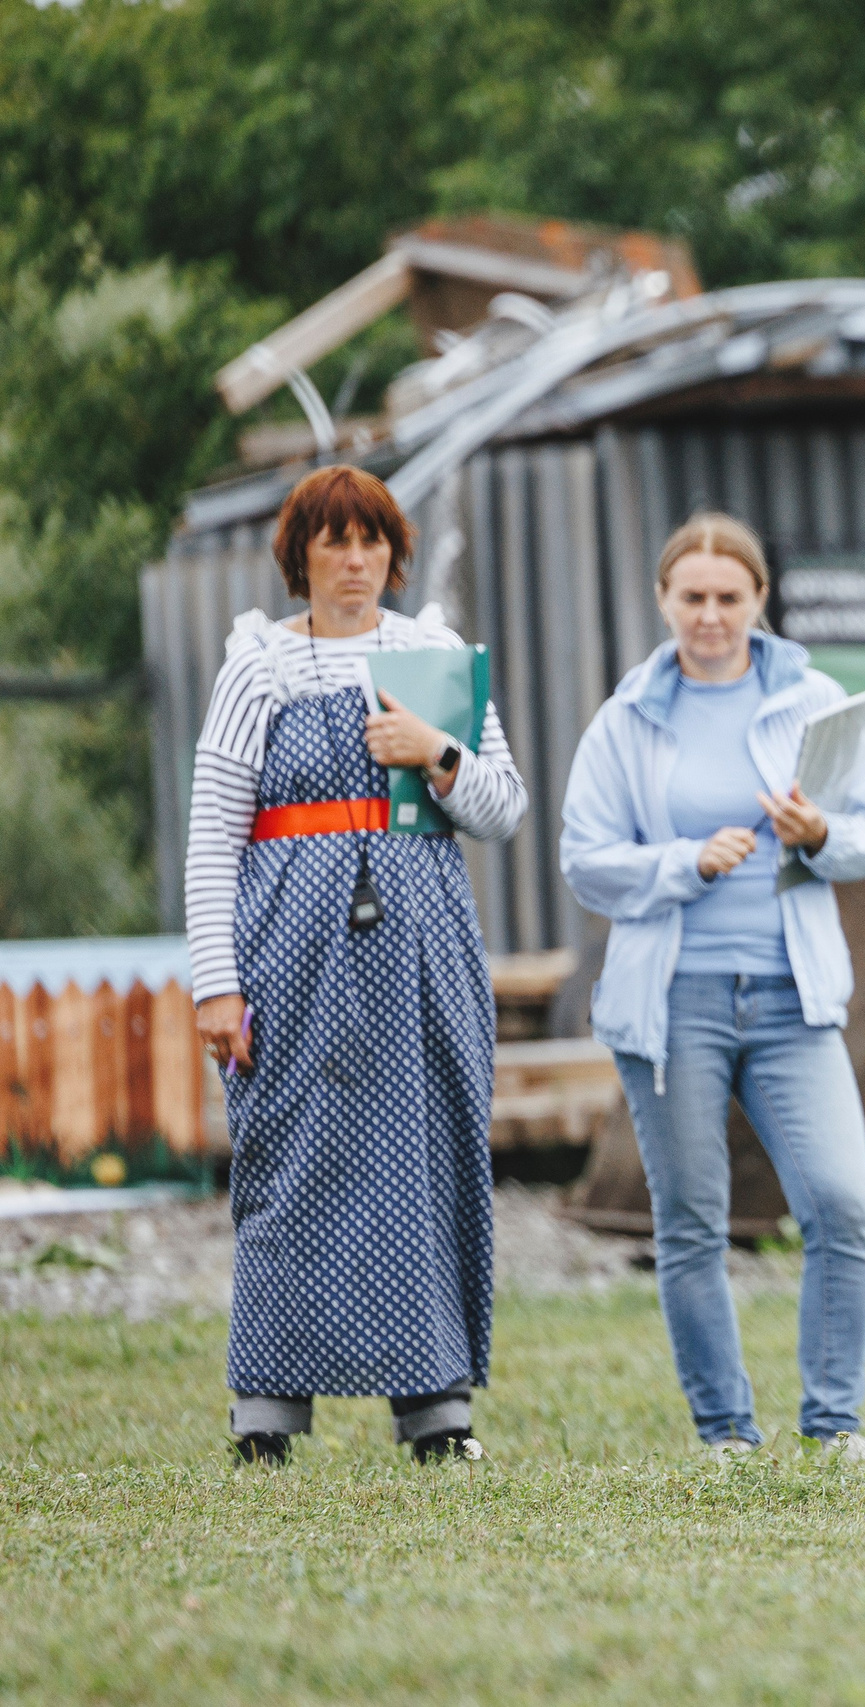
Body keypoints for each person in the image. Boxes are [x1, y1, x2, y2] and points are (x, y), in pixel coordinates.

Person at [187, 465, 528, 1465]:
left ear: (393, 551)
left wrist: (437, 749)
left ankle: (436, 1412)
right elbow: (215, 834)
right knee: (290, 1155)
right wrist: (217, 981)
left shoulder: (435, 659)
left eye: (370, 541)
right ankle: (267, 1414)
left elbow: (501, 809)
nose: (353, 561)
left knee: (426, 1155)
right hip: (291, 943)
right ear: (301, 557)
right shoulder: (259, 667)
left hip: (421, 946)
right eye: (332, 542)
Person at [560, 511, 865, 1457]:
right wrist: (683, 862)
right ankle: (726, 1432)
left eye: (730, 597)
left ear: (759, 601)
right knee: (692, 1222)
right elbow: (584, 861)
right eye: (692, 597)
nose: (710, 615)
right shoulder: (627, 718)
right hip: (674, 1005)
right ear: (664, 601)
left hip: (793, 998)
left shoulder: (815, 699)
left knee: (839, 1205)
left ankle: (834, 1425)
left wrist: (820, 835)